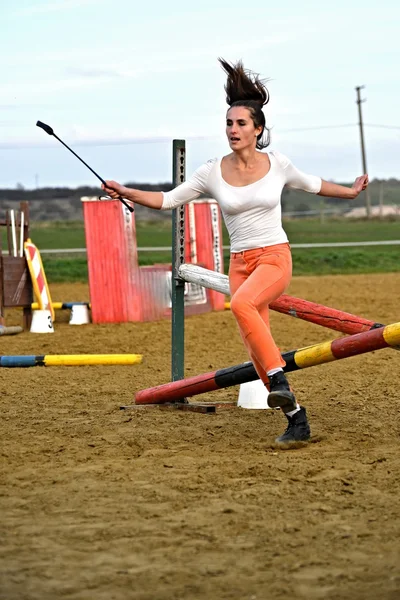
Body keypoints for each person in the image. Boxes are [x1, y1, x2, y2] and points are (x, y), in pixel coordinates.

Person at [102, 58, 369, 445]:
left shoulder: (278, 164)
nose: (232, 130)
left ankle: (279, 382)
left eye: (241, 123)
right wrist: (126, 191)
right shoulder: (212, 170)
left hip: (274, 257)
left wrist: (351, 191)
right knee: (256, 344)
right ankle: (296, 418)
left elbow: (315, 184)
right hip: (240, 263)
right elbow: (167, 200)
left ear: (258, 129)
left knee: (242, 306)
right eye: (228, 123)